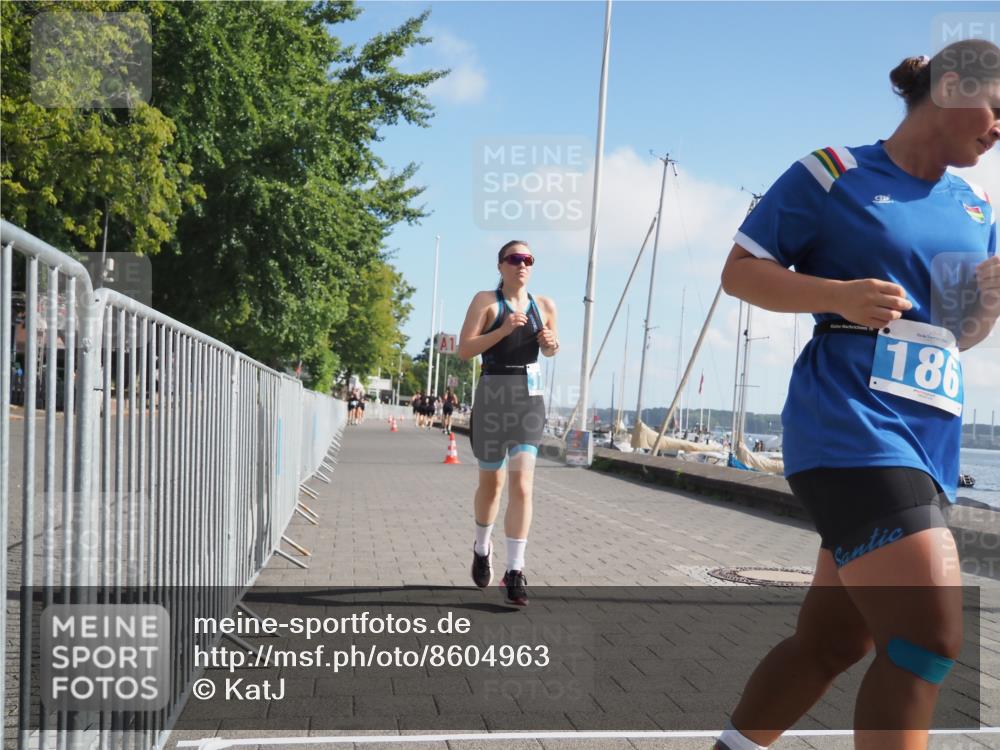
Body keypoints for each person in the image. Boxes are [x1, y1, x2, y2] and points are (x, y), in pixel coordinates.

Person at [715, 40, 998, 750]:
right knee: (927, 636)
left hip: (929, 443)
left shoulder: (975, 208)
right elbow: (740, 272)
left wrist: (989, 310)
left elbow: (953, 337)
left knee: (832, 644)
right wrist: (837, 295)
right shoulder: (833, 172)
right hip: (849, 426)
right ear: (953, 87)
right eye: (998, 108)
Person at [458, 240, 559, 606]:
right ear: (501, 265)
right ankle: (481, 547)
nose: (522, 265)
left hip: (528, 401)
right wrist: (501, 332)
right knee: (492, 485)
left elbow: (550, 350)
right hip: (492, 397)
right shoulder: (486, 301)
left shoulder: (544, 306)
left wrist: (551, 344)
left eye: (528, 259)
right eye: (515, 259)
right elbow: (464, 350)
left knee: (522, 485)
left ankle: (514, 571)